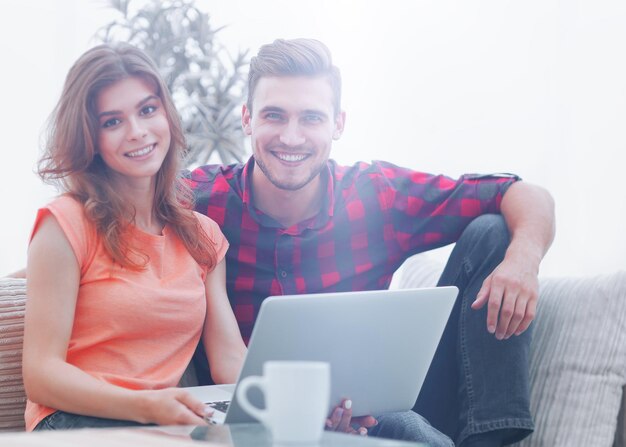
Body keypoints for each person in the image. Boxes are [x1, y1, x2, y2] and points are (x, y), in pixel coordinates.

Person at [187, 38, 555, 447]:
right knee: (414, 434)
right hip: (259, 414)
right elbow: (112, 202)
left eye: (311, 118)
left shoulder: (377, 196)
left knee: (495, 234)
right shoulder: (199, 203)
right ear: (247, 118)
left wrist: (524, 260)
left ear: (338, 124)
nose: (291, 137)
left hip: (375, 407)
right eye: (274, 115)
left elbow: (522, 193)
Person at [22, 43, 247, 431]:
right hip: (74, 421)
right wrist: (146, 406)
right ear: (88, 137)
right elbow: (41, 374)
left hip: (163, 423)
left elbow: (229, 359)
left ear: (166, 114)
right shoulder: (64, 223)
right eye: (112, 122)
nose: (137, 132)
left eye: (147, 110)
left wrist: (305, 397)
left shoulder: (202, 236)